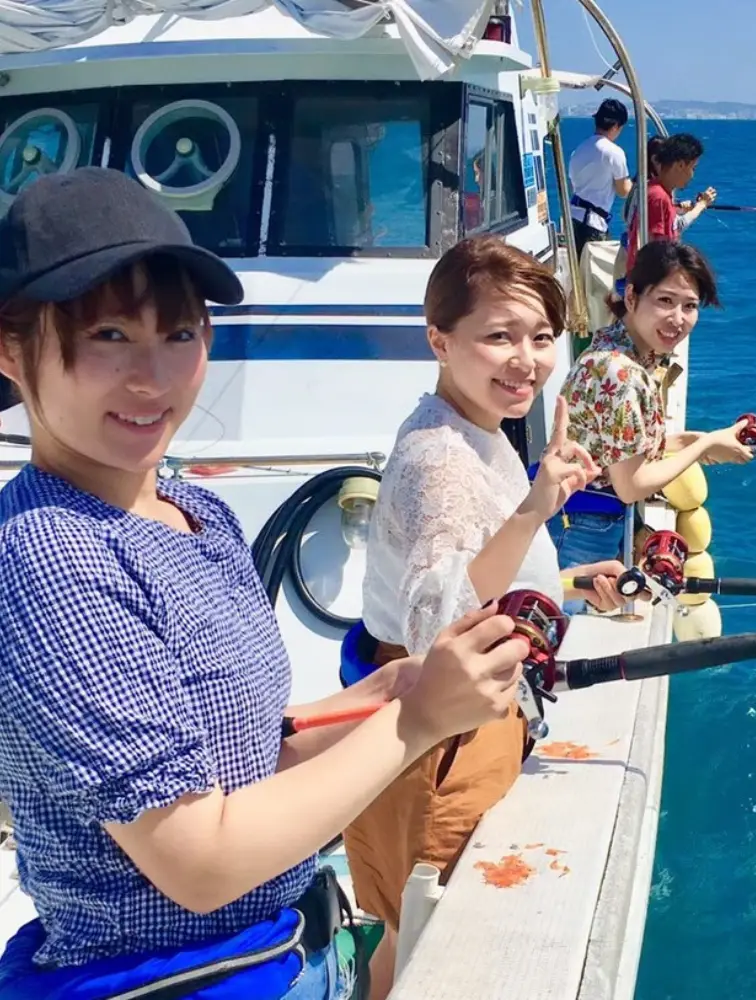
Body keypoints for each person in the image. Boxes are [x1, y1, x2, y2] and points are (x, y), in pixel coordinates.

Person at [0, 168, 530, 1000]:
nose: (154, 377)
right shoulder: (52, 557)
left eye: (180, 335)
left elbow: (235, 752)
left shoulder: (194, 510)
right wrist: (421, 722)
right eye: (108, 335)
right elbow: (199, 862)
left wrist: (390, 694)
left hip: (278, 950)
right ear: (11, 350)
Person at [342, 235, 630, 1000]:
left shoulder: (464, 423)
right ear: (439, 338)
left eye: (542, 337)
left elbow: (470, 571)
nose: (526, 359)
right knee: (438, 945)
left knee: (396, 938)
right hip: (442, 740)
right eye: (498, 335)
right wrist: (537, 505)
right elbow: (440, 622)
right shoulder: (440, 457)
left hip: (415, 725)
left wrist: (562, 581)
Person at [550, 240, 754, 573]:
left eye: (689, 306)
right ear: (631, 297)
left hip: (577, 519)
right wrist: (705, 444)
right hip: (583, 533)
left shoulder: (611, 346)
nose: (678, 319)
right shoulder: (622, 371)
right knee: (566, 621)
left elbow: (612, 447)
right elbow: (632, 486)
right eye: (664, 301)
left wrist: (686, 442)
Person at [622, 133, 716, 275]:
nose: (692, 175)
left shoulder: (657, 193)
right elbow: (658, 249)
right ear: (680, 165)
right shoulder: (658, 197)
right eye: (693, 168)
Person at [568, 98, 633, 259]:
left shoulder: (579, 150)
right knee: (594, 277)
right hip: (593, 223)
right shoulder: (614, 152)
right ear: (617, 126)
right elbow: (623, 191)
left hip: (572, 218)